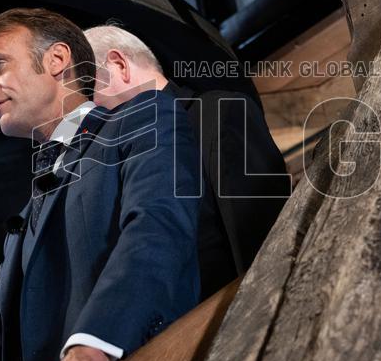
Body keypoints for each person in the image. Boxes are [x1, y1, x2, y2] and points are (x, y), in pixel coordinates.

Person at [0, 8, 200, 361]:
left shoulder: (144, 118)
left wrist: (91, 348)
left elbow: (156, 230)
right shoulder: (26, 218)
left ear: (56, 60)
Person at [85, 24, 290, 299]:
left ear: (119, 65)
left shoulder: (219, 113)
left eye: (86, 92)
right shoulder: (116, 165)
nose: (84, 113)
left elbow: (266, 235)